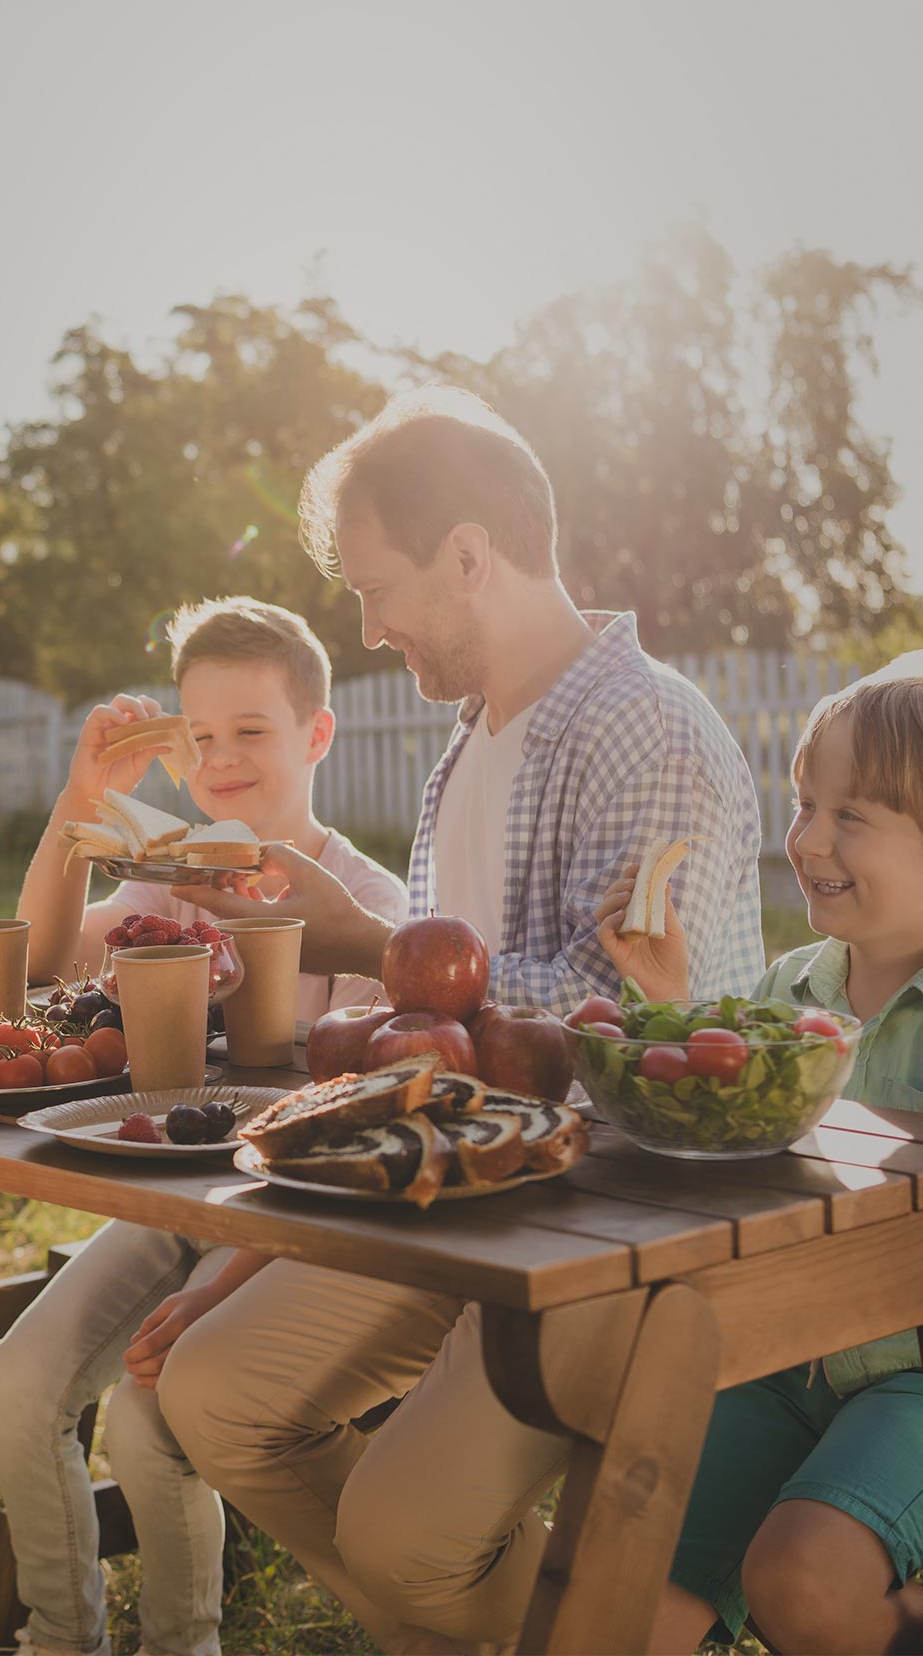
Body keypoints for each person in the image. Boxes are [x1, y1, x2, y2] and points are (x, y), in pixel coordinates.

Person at [151, 388, 767, 1653]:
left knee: (396, 1532)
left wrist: (363, 945)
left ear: (471, 555)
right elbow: (426, 1053)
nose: (370, 629)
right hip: (458, 1198)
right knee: (209, 1394)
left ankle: (617, 1622)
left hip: (609, 1233)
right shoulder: (464, 752)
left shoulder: (645, 729)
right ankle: (555, 1623)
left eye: (378, 589)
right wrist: (258, 1246)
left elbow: (639, 1031)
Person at [0, 597, 407, 1656]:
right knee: (24, 1372)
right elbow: (42, 967)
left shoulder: (365, 905)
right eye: (202, 736)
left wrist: (235, 1281)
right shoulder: (173, 881)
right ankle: (59, 1634)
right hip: (169, 1204)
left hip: (289, 1231)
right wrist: (79, 802)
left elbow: (368, 1141)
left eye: (252, 731)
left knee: (145, 1415)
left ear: (316, 734)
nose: (221, 762)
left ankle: (183, 1641)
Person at [592, 673, 923, 1656]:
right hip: (784, 1357)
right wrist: (674, 999)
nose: (809, 839)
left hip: (912, 1369)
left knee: (804, 1575)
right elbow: (736, 1145)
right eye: (803, 804)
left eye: (849, 814)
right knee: (622, 1591)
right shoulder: (789, 990)